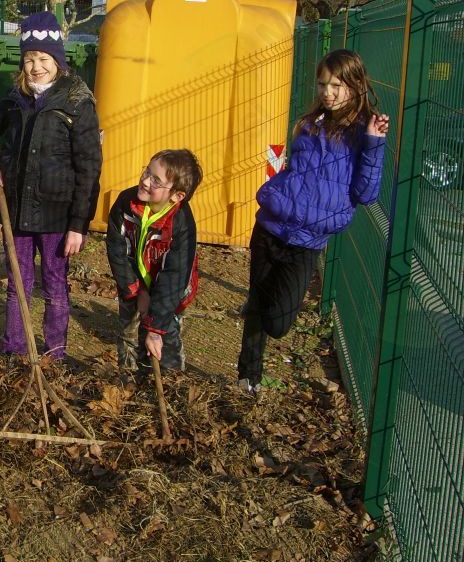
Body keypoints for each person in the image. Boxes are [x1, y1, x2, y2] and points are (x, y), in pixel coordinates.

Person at [237, 49, 389, 394]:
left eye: (336, 85)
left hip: (307, 242)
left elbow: (366, 194)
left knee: (279, 323)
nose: (327, 92)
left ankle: (259, 314)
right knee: (258, 303)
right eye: (322, 84)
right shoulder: (309, 123)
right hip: (271, 225)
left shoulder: (363, 134)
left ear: (355, 85)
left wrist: (374, 144)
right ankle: (248, 378)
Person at [0, 11, 102, 361]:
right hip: (17, 212)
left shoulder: (77, 104)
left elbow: (89, 168)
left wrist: (78, 225)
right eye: (29, 60)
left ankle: (55, 353)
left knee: (55, 285)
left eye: (44, 59)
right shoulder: (15, 101)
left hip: (58, 216)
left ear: (58, 61)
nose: (36, 67)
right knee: (18, 284)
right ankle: (15, 350)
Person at [106, 149, 202, 379]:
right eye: (147, 172)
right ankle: (128, 383)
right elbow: (117, 250)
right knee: (129, 337)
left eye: (156, 180)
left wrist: (155, 328)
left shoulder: (181, 224)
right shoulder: (126, 203)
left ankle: (169, 384)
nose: (146, 181)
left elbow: (175, 276)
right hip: (132, 284)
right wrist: (135, 290)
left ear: (177, 195)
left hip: (170, 295)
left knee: (163, 342)